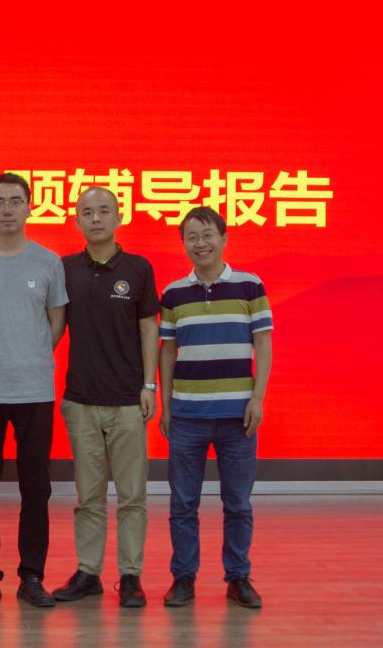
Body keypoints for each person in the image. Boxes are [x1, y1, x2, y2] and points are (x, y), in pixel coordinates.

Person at [0, 172, 68, 608]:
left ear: (29, 206)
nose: (7, 209)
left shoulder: (48, 262)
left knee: (35, 488)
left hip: (34, 389)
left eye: (15, 201)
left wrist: (30, 353)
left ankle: (32, 575)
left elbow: (56, 321)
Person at [158, 206, 272, 609]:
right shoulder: (173, 293)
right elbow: (167, 352)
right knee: (182, 504)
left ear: (223, 238)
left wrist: (257, 398)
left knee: (238, 504)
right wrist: (166, 406)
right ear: (184, 244)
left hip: (237, 417)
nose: (200, 243)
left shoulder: (250, 286)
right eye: (191, 237)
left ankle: (238, 578)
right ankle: (183, 578)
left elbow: (263, 343)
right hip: (187, 415)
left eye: (207, 235)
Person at [52, 186, 159, 608]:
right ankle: (88, 572)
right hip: (80, 401)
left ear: (119, 216)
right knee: (89, 497)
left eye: (103, 211)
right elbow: (54, 328)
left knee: (132, 496)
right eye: (86, 212)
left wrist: (149, 385)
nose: (95, 218)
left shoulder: (138, 268)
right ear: (76, 220)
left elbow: (149, 328)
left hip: (128, 402)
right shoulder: (64, 269)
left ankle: (130, 575)